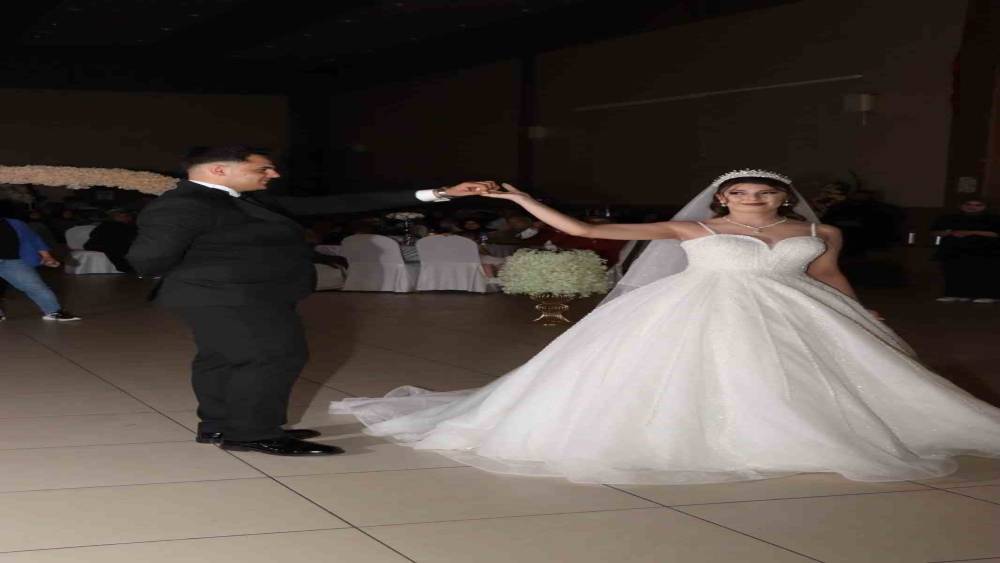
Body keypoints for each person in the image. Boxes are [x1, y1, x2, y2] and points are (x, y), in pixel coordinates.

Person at [331, 169, 1000, 485]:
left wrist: (860, 310)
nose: (754, 201)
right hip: (698, 308)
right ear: (723, 197)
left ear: (783, 196)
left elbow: (826, 274)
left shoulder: (818, 231)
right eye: (742, 193)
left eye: (766, 193)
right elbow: (586, 229)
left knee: (813, 377)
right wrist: (518, 196)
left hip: (798, 310)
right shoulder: (692, 228)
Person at [126, 145, 489, 457]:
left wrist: (441, 193)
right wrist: (210, 274)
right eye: (263, 168)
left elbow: (339, 203)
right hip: (228, 296)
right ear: (219, 170)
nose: (273, 174)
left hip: (242, 294)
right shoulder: (183, 204)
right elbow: (147, 260)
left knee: (221, 359)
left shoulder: (242, 199)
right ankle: (252, 434)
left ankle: (221, 425)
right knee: (272, 357)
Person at [0, 203, 81, 322]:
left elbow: (34, 240)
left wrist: (47, 257)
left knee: (35, 286)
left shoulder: (15, 223)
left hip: (13, 261)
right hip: (12, 261)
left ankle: (54, 311)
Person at [929, 198, 1000, 303]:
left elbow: (996, 233)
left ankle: (988, 295)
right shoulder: (948, 218)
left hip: (985, 250)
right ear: (961, 205)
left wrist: (970, 232)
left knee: (983, 273)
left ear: (985, 206)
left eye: (978, 205)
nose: (972, 207)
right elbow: (935, 232)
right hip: (953, 250)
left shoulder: (994, 218)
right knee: (953, 272)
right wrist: (949, 233)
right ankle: (954, 294)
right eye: (968, 204)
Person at [83, 209, 138, 273]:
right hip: (106, 247)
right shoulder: (107, 225)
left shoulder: (130, 227)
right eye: (119, 216)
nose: (122, 217)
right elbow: (94, 235)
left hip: (109, 247)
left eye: (125, 216)